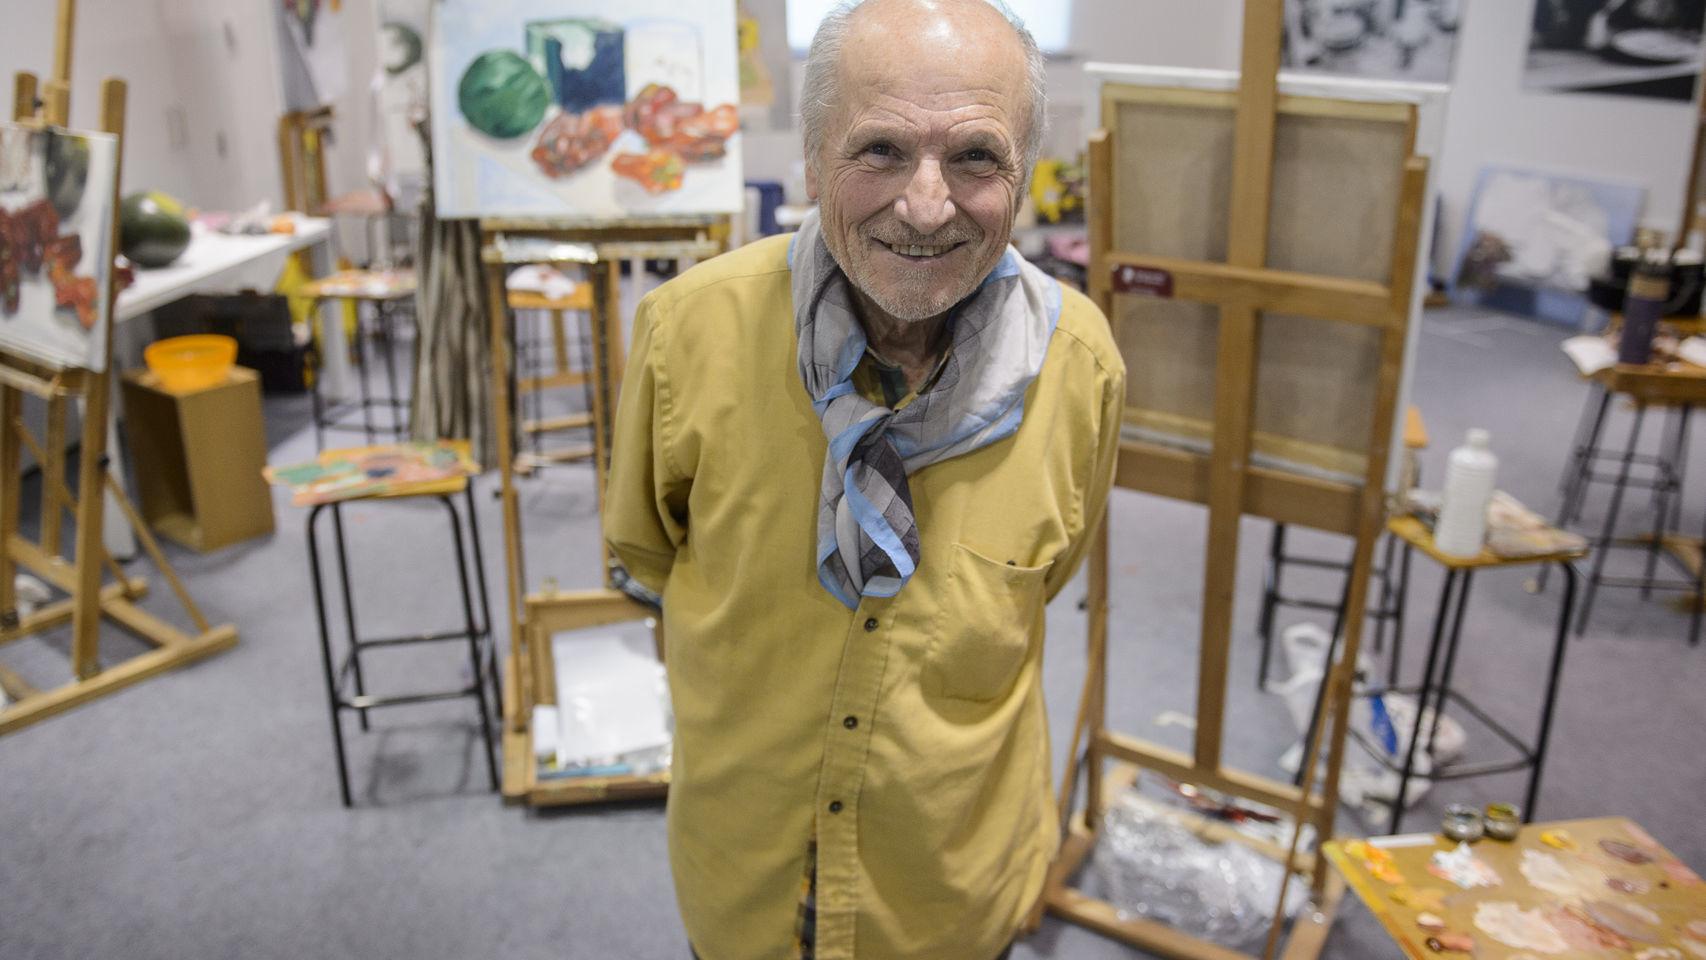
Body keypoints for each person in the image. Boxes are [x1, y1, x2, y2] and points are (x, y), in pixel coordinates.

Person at [605, 1, 1124, 957]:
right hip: (743, 880)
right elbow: (646, 556)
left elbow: (1051, 574)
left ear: (1026, 174)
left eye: (976, 158)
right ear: (810, 161)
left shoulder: (1078, 365)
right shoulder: (689, 335)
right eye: (879, 149)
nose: (926, 206)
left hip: (947, 899)